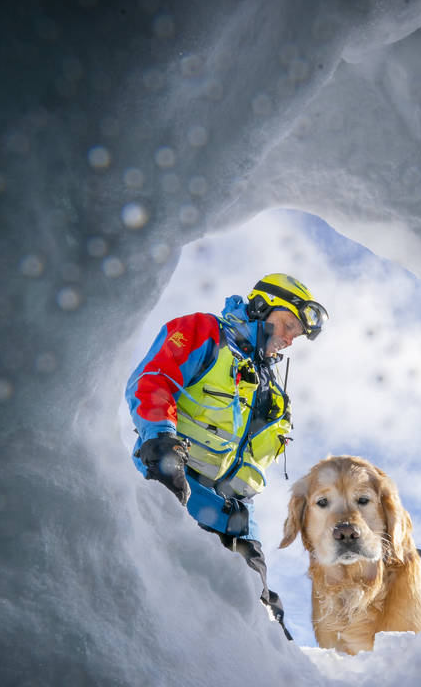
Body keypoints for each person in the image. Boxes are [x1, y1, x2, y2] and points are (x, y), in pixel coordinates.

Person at [125, 273, 328, 640]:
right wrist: (161, 444)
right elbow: (153, 380)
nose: (288, 339)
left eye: (295, 335)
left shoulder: (275, 394)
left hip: (236, 524)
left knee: (258, 627)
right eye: (287, 324)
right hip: (174, 489)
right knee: (152, 611)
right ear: (259, 307)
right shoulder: (204, 332)